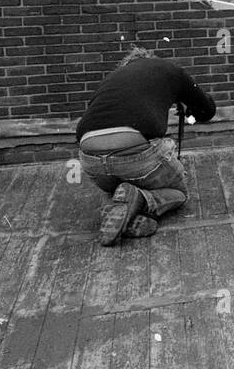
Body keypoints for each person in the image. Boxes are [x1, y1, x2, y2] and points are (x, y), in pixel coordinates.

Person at [76, 47, 216, 245]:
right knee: (179, 194)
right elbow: (208, 110)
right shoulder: (170, 70)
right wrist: (188, 106)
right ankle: (141, 199)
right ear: (151, 60)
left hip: (90, 158)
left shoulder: (112, 79)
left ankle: (124, 215)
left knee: (114, 190)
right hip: (136, 154)